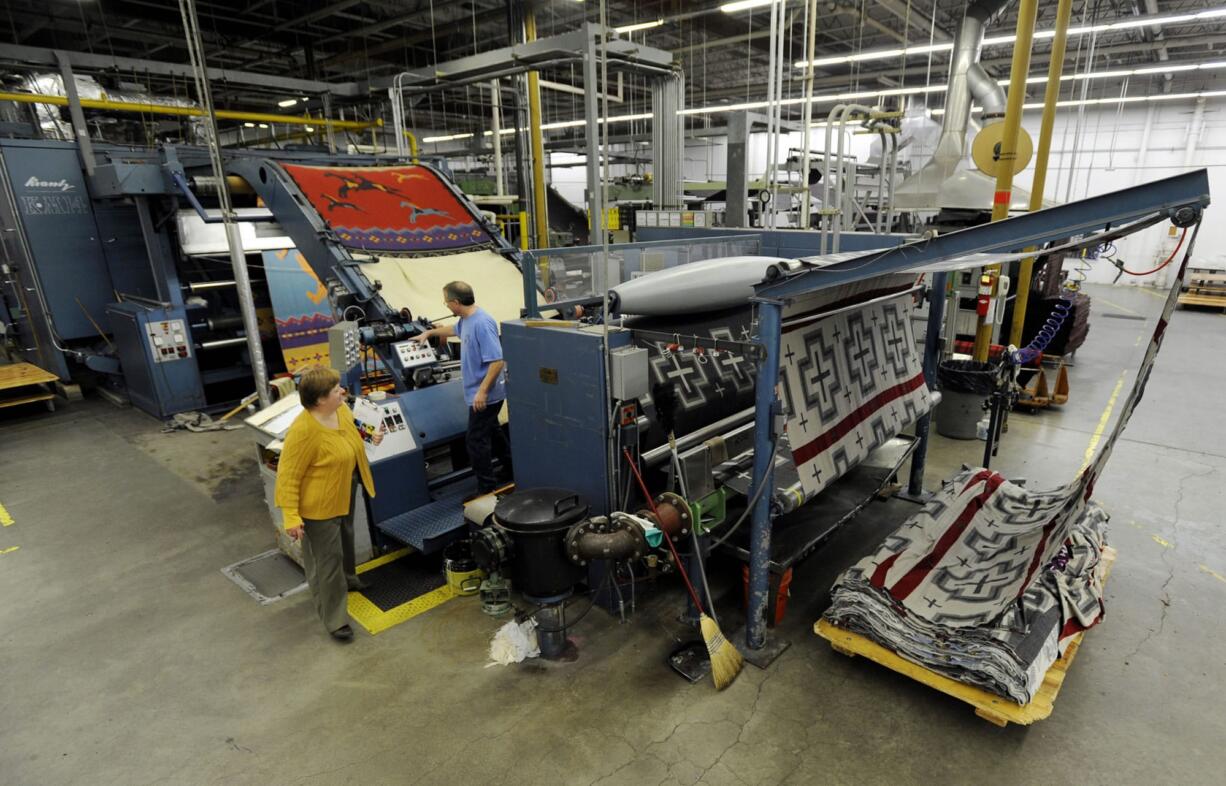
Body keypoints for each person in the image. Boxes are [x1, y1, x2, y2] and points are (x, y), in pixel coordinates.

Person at [275, 366, 382, 642]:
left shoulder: (340, 410)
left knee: (346, 538)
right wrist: (291, 516)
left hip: (344, 488)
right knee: (326, 561)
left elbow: (352, 431)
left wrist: (370, 436)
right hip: (318, 507)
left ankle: (349, 578)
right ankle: (335, 619)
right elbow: (287, 477)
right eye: (336, 390)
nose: (342, 392)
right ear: (321, 399)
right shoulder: (303, 431)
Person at [412, 280, 510, 493]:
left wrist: (482, 392)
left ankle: (487, 489)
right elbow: (454, 329)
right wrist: (429, 333)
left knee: (475, 441)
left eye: (446, 301)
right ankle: (510, 468)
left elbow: (497, 360)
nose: (445, 305)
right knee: (492, 430)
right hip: (479, 392)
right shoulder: (467, 320)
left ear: (456, 302)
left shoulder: (482, 323)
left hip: (487, 393)